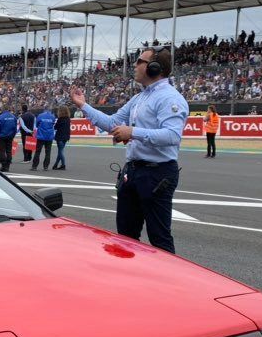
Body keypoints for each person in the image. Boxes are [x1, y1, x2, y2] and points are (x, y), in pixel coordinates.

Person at [70, 47, 187, 254]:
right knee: (125, 235)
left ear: (154, 68)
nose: (134, 65)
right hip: (134, 172)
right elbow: (113, 122)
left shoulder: (169, 98)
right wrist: (83, 106)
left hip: (156, 174)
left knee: (159, 238)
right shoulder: (140, 98)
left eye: (139, 61)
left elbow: (172, 136)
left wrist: (132, 132)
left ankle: (167, 284)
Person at [0, 104, 17, 172]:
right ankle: (8, 166)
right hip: (10, 136)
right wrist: (13, 135)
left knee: (2, 151)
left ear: (2, 109)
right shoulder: (13, 117)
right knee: (9, 151)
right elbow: (15, 128)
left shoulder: (0, 117)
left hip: (2, 136)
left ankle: (3, 165)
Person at [31, 104, 56, 170]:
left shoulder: (40, 115)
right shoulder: (52, 116)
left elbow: (36, 125)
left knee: (38, 151)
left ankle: (34, 166)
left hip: (41, 136)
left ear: (44, 109)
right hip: (49, 136)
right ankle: (46, 167)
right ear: (50, 109)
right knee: (48, 152)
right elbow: (53, 124)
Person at [54, 105, 71, 170]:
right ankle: (55, 165)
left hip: (60, 136)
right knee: (60, 151)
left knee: (60, 151)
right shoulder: (68, 119)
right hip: (66, 137)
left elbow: (55, 127)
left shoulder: (60, 119)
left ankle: (63, 164)